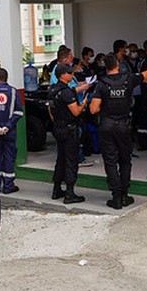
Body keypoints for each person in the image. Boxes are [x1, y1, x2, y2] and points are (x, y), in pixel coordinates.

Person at [89, 39, 147, 209]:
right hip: (124, 126)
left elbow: (93, 109)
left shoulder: (101, 84)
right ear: (118, 64)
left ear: (106, 67)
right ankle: (124, 195)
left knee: (110, 161)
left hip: (107, 126)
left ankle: (116, 197)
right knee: (125, 160)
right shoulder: (129, 79)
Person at [48, 63, 88, 204]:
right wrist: (83, 103)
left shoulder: (52, 89)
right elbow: (76, 111)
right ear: (63, 75)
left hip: (58, 128)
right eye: (70, 73)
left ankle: (57, 189)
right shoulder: (66, 92)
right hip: (69, 129)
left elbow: (51, 111)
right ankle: (70, 193)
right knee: (71, 161)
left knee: (61, 159)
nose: (72, 75)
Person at [0, 67, 23, 194]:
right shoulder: (13, 92)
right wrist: (7, 126)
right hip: (10, 132)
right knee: (9, 157)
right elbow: (18, 112)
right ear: (7, 78)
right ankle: (8, 186)